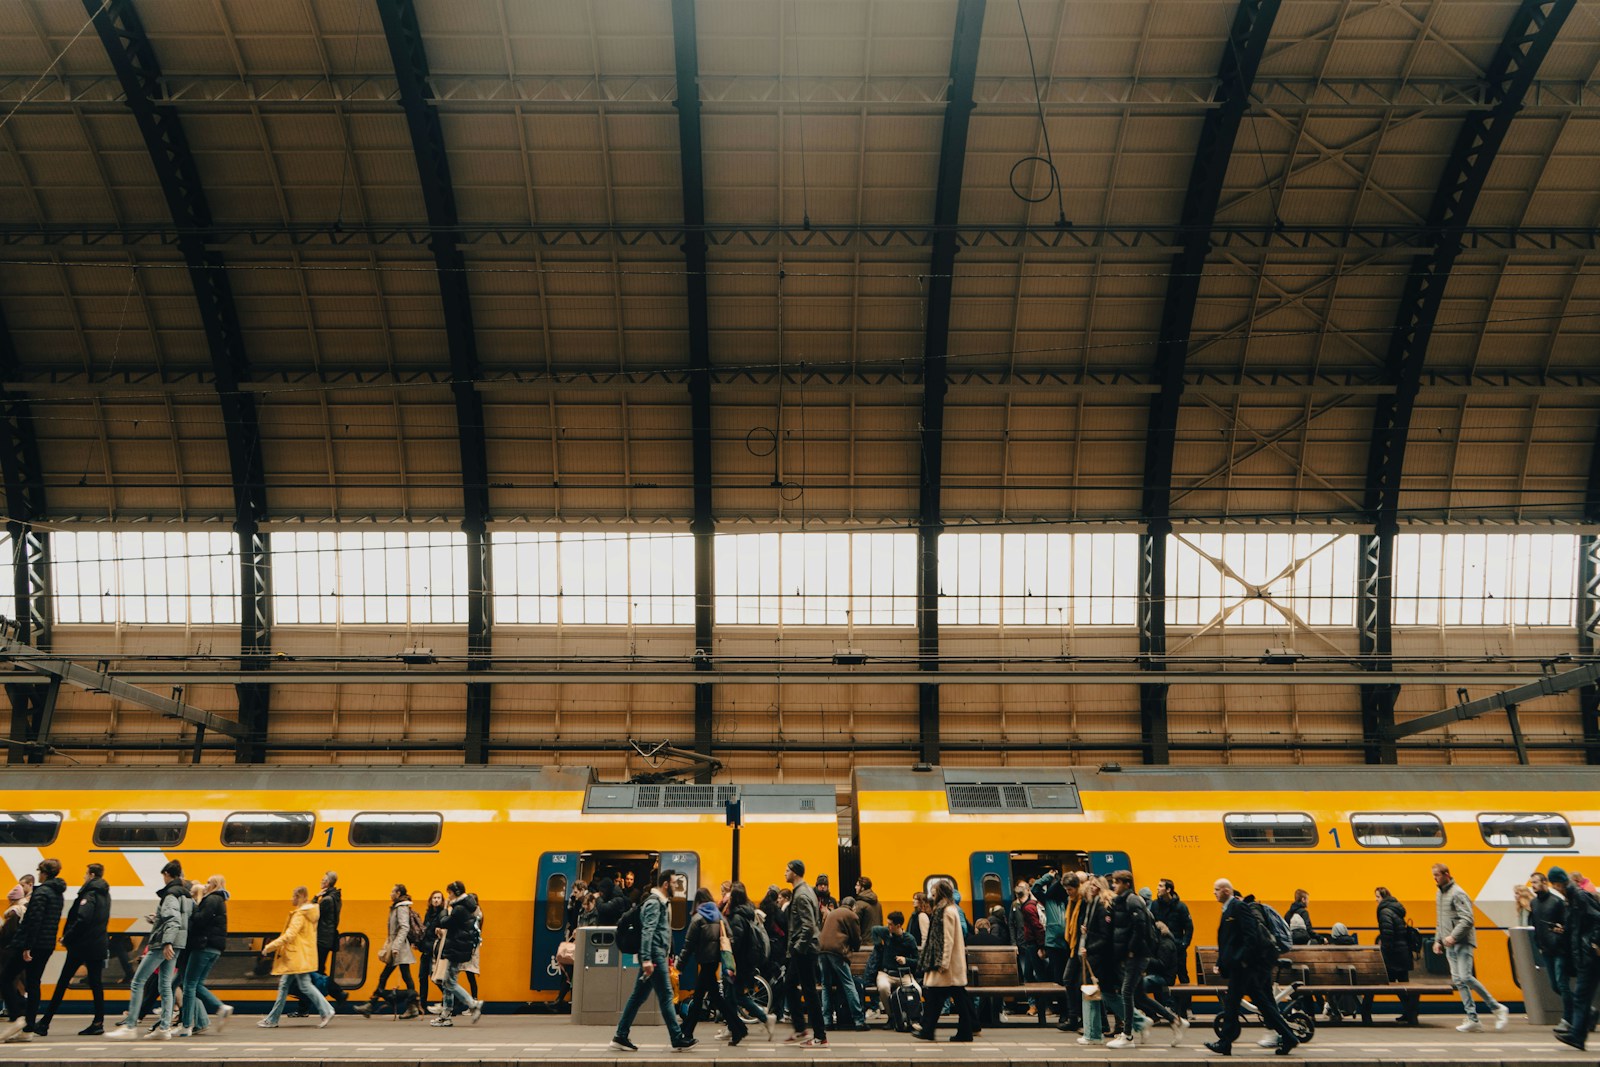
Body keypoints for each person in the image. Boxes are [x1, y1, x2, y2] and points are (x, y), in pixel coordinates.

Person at [1203, 878, 1298, 1057]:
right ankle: (1288, 1036)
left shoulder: (1238, 908)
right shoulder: (1228, 910)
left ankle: (1225, 1042)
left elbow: (1250, 936)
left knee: (1233, 1003)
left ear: (1226, 891)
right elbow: (1229, 942)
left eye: (1216, 889)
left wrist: (1242, 960)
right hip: (1241, 967)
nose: (1213, 892)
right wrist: (1221, 962)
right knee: (1262, 1004)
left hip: (1244, 967)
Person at [104, 859, 190, 1040]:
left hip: (163, 945)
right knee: (165, 985)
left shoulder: (170, 895)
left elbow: (174, 921)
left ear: (167, 875)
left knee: (137, 982)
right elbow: (182, 920)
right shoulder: (186, 895)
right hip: (178, 943)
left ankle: (130, 1026)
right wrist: (158, 918)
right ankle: (164, 1028)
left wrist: (166, 942)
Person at [609, 869, 693, 1052]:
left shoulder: (660, 903)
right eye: (673, 883)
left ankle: (620, 1035)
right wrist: (646, 959)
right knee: (666, 996)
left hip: (655, 955)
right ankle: (677, 1037)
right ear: (665, 884)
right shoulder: (655, 904)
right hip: (654, 956)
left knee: (638, 996)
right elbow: (648, 931)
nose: (675, 887)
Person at [1109, 869, 1184, 1047]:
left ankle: (1127, 1035)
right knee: (1139, 996)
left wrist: (1131, 951)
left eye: (1117, 882)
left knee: (1126, 992)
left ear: (1126, 884)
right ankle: (1174, 1020)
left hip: (1136, 955)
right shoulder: (1123, 901)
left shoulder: (1132, 900)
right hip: (1132, 955)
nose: (1114, 885)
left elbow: (1139, 928)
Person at [1432, 862, 1508, 1033]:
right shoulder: (1440, 893)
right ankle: (1473, 1019)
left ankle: (1497, 1008)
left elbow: (1467, 919)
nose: (1434, 879)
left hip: (1463, 942)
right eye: (1433, 875)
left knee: (1465, 977)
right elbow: (1440, 919)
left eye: (1437, 875)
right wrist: (1438, 940)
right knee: (1459, 981)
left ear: (1446, 874)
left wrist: (1453, 936)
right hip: (1448, 943)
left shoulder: (1458, 893)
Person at [39, 863, 112, 1037]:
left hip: (82, 946)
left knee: (63, 982)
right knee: (96, 984)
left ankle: (44, 1022)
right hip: (97, 944)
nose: (84, 877)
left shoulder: (90, 894)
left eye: (86, 874)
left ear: (92, 875)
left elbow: (83, 919)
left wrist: (67, 937)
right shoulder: (105, 894)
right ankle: (98, 1022)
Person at [0, 858, 65, 1042]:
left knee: (5, 978)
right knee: (34, 982)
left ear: (43, 873)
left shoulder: (42, 892)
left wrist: (27, 947)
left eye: (39, 872)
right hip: (46, 945)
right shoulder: (58, 893)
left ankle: (16, 1017)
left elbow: (34, 921)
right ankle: (28, 1029)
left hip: (31, 944)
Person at [256, 886, 333, 1029]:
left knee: (304, 985)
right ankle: (272, 1019)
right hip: (299, 955)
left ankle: (327, 1010)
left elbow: (290, 935)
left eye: (293, 896)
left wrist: (269, 947)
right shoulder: (310, 913)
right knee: (285, 985)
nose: (292, 899)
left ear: (300, 896)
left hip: (295, 956)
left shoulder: (300, 914)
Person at [913, 877, 973, 1042]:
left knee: (935, 997)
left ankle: (929, 1030)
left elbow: (947, 940)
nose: (931, 894)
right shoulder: (950, 908)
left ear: (940, 893)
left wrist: (943, 963)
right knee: (956, 999)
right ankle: (963, 1031)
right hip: (952, 966)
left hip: (947, 966)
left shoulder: (945, 911)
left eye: (934, 891)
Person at [1549, 866, 1600, 1051]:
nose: (1555, 888)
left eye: (1554, 884)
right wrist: (1564, 930)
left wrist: (1595, 943)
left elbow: (1597, 919)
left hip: (1589, 956)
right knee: (1582, 997)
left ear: (1558, 882)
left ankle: (1577, 1035)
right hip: (1584, 956)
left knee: (1580, 997)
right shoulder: (1571, 899)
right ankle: (1578, 1032)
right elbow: (1578, 926)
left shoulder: (1579, 897)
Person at [778, 859, 826, 1048]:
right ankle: (800, 1028)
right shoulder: (803, 892)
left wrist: (797, 948)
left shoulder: (802, 895)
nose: (784, 872)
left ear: (795, 873)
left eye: (787, 870)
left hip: (804, 951)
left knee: (810, 992)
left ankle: (820, 1036)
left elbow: (808, 926)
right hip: (803, 949)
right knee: (789, 984)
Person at [178, 875, 231, 1037]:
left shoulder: (211, 899)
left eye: (208, 882)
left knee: (189, 985)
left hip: (204, 946)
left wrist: (195, 907)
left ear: (214, 884)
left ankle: (187, 1025)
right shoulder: (220, 901)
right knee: (196, 984)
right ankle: (203, 1019)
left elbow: (200, 920)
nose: (205, 885)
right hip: (214, 948)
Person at [723, 881, 774, 1045]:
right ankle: (736, 1028)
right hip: (745, 963)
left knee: (736, 996)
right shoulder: (746, 912)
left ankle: (762, 1018)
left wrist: (726, 946)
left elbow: (736, 942)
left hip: (739, 964)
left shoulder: (738, 917)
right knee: (733, 996)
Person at [678, 887, 729, 1041]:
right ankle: (687, 1029)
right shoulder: (718, 915)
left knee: (706, 997)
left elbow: (688, 945)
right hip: (714, 962)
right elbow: (729, 936)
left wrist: (680, 965)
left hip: (705, 962)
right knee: (703, 996)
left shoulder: (698, 918)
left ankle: (738, 1026)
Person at [363, 884, 417, 1018]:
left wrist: (396, 946)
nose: (390, 894)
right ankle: (412, 1008)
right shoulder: (396, 907)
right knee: (405, 977)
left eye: (392, 891)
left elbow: (404, 927)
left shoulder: (401, 907)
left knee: (387, 976)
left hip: (399, 949)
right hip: (397, 947)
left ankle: (371, 1005)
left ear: (398, 893)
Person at [434, 881, 483, 1027]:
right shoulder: (466, 906)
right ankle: (446, 1015)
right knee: (447, 982)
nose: (447, 896)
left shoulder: (458, 908)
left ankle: (473, 1003)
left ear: (455, 892)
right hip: (458, 947)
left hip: (456, 948)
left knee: (450, 983)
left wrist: (444, 908)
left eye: (449, 893)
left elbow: (444, 922)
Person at [1528, 872, 1571, 1034]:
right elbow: (1535, 926)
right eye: (1532, 883)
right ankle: (1586, 1010)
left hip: (1560, 949)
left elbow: (1567, 924)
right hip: (1546, 950)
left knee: (1562, 983)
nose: (1533, 886)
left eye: (1536, 882)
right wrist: (1538, 944)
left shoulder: (1557, 902)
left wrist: (1561, 932)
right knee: (1555, 985)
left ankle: (1567, 1019)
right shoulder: (1534, 903)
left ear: (1545, 883)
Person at [818, 896, 866, 1031]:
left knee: (826, 985)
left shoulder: (832, 913)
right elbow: (856, 938)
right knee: (848, 984)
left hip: (822, 951)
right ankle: (859, 1021)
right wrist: (855, 947)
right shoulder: (852, 915)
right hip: (837, 951)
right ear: (853, 906)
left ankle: (827, 1021)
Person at [1374, 887, 1417, 1025]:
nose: (1376, 900)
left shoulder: (1385, 911)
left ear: (1383, 897)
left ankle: (1410, 1012)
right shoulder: (1396, 910)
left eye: (1377, 897)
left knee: (1391, 983)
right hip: (1403, 952)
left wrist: (1384, 952)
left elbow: (1388, 933)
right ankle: (1410, 1013)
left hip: (1394, 955)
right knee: (1403, 984)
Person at [1151, 879, 1193, 1017]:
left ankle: (1186, 1009)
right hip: (1161, 949)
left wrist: (1183, 945)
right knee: (1160, 976)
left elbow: (1189, 927)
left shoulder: (1181, 907)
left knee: (1183, 976)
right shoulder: (1155, 905)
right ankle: (1163, 1007)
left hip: (1177, 948)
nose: (1157, 888)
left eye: (1161, 886)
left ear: (1169, 889)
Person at [418, 890, 446, 1016]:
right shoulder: (428, 914)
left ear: (442, 900)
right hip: (425, 949)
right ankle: (422, 1005)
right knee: (422, 977)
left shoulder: (442, 914)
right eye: (434, 897)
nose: (436, 900)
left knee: (434, 977)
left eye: (438, 898)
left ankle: (450, 1001)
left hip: (434, 950)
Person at [314, 872, 341, 978]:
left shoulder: (326, 900)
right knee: (319, 969)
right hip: (327, 938)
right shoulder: (336, 897)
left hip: (321, 938)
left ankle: (337, 992)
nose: (321, 881)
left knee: (317, 969)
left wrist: (315, 898)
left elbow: (313, 914)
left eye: (323, 880)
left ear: (328, 883)